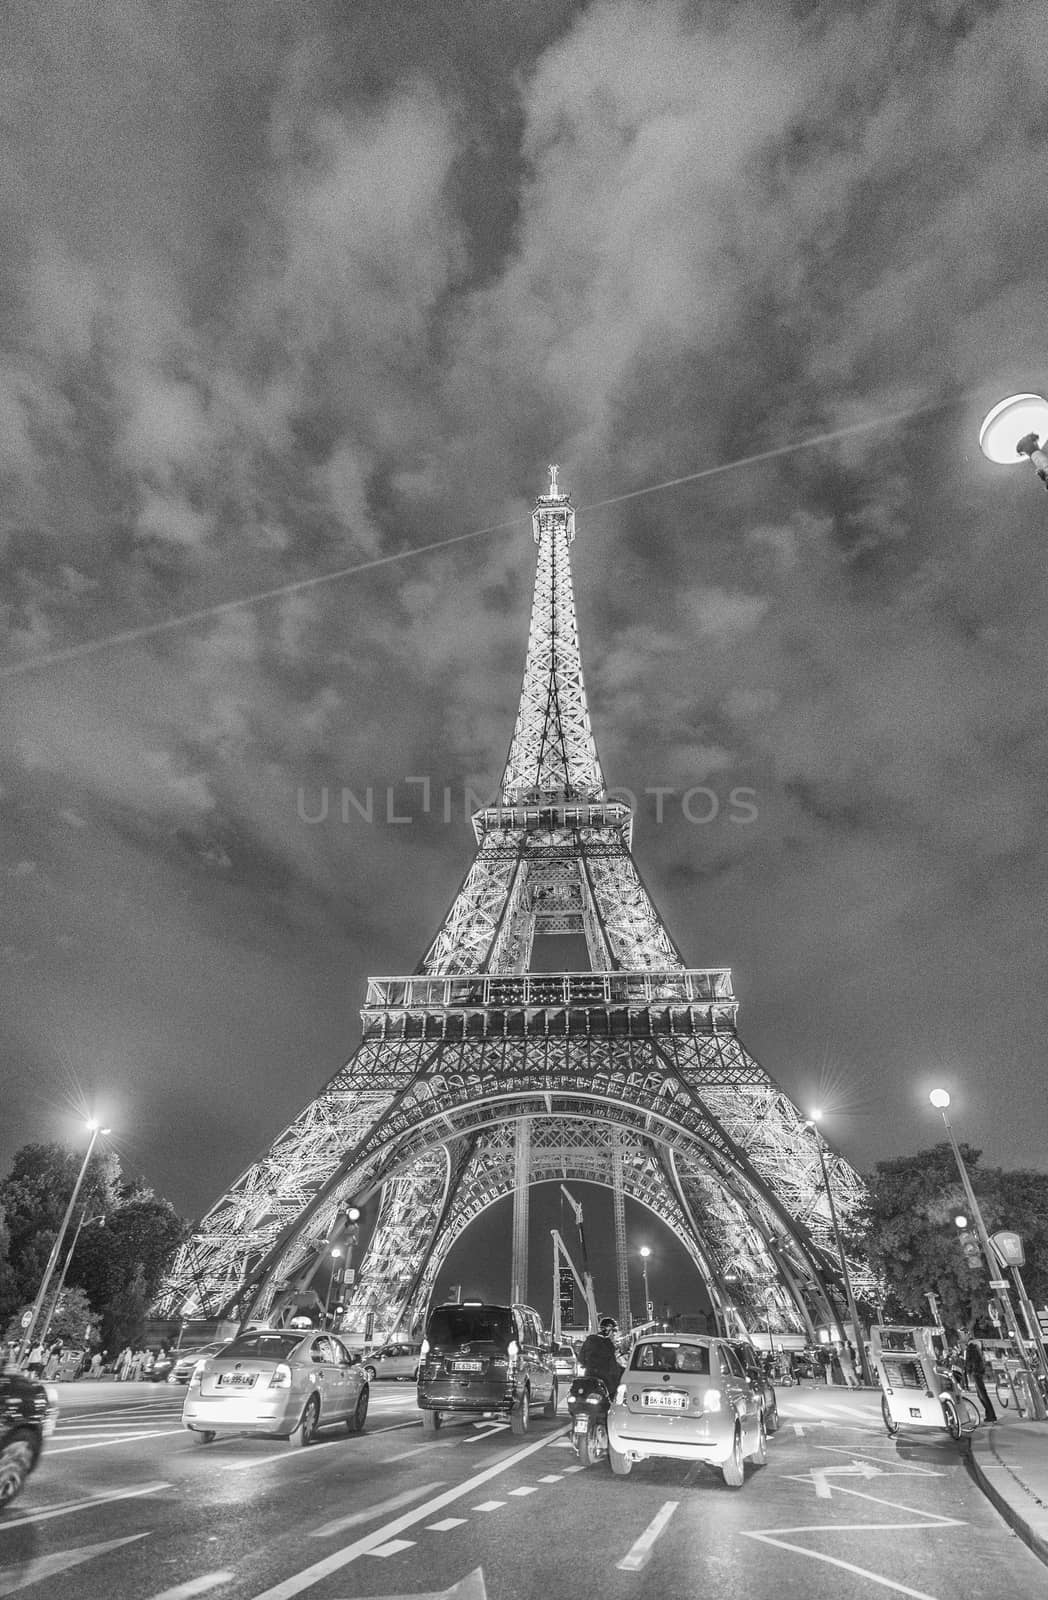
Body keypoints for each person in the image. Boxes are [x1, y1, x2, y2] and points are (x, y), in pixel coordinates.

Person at [578, 1317, 624, 1394]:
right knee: (616, 1396)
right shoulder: (608, 1344)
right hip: (606, 1379)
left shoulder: (590, 1340)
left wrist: (588, 1365)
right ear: (608, 1330)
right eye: (614, 1332)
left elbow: (580, 1358)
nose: (614, 1334)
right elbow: (613, 1364)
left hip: (589, 1375)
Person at [964, 1332, 996, 1422]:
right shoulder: (976, 1346)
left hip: (976, 1373)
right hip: (978, 1372)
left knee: (982, 1395)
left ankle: (991, 1415)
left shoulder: (971, 1347)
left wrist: (969, 1370)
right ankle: (989, 1414)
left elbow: (971, 1361)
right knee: (981, 1395)